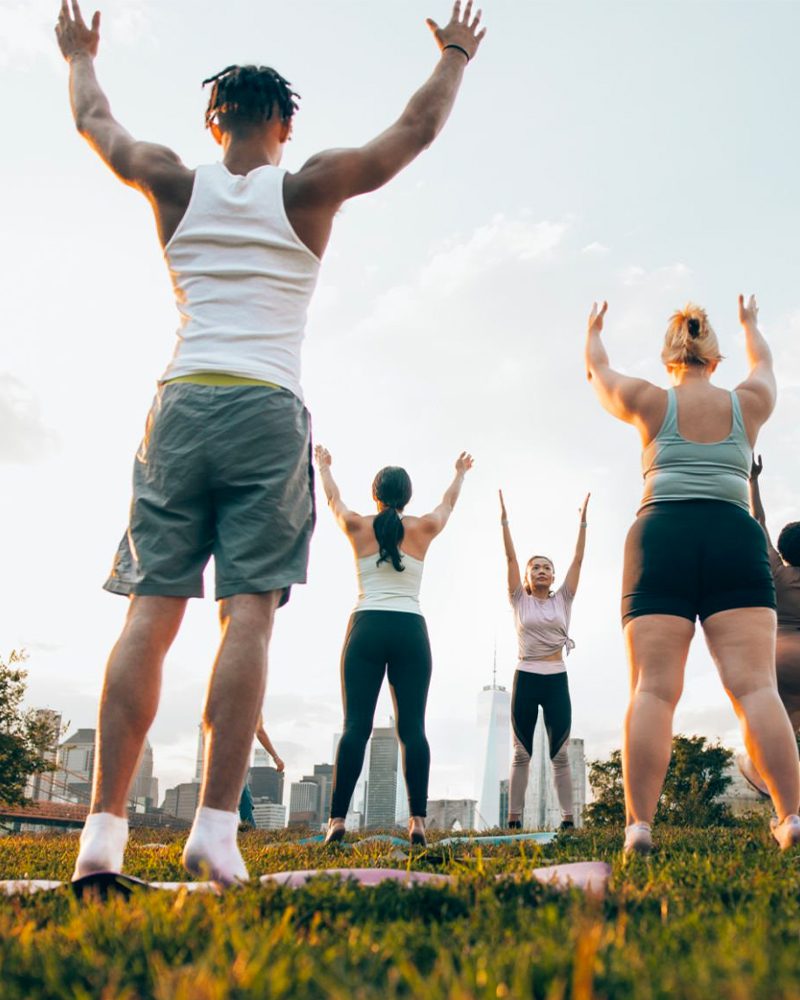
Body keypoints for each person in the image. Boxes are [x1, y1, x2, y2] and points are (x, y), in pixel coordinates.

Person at [55, 0, 487, 883]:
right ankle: (215, 831)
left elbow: (94, 120)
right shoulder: (306, 187)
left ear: (213, 122)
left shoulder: (171, 180)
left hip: (178, 406)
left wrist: (78, 56)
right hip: (266, 410)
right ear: (286, 125)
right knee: (245, 613)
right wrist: (453, 53)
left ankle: (102, 831)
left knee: (150, 611)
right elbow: (416, 129)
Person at [585, 295, 800, 853]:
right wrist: (752, 325)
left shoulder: (648, 400)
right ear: (715, 356)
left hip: (662, 536)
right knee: (756, 687)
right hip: (733, 535)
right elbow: (768, 366)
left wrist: (595, 332)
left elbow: (597, 371)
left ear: (669, 355)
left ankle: (638, 828)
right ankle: (792, 818)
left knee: (653, 690)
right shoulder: (748, 402)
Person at [315, 447, 474, 846]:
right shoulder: (422, 528)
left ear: (376, 495)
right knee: (413, 729)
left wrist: (325, 467)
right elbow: (448, 503)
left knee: (355, 727)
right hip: (410, 631)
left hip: (367, 626)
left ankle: (336, 822)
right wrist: (459, 473)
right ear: (408, 496)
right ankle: (418, 821)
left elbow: (333, 500)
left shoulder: (356, 525)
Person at [499, 490, 589, 831]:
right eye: (535, 567)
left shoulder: (564, 598)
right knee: (522, 754)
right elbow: (510, 559)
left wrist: (582, 522)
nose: (541, 570)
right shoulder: (518, 599)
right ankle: (513, 820)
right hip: (525, 675)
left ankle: (568, 820)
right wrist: (505, 521)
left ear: (552, 577)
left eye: (546, 568)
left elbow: (578, 561)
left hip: (556, 678)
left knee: (560, 754)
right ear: (527, 576)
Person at [736, 455, 800, 795]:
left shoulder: (776, 570)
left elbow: (757, 520)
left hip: (780, 656)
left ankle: (759, 769)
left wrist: (753, 481)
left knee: (777, 728)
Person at [238, 716, 285, 828]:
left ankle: (249, 834)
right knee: (244, 801)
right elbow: (260, 732)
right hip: (234, 760)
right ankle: (249, 834)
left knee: (245, 800)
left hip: (233, 760)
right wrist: (276, 757)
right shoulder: (250, 702)